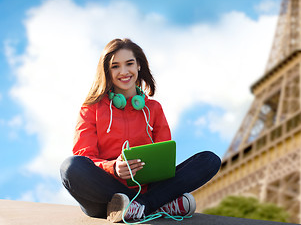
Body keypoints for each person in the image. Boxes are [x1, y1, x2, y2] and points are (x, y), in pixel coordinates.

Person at [60, 38, 221, 223]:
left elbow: (164, 157)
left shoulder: (154, 109)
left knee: (209, 160)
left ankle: (141, 205)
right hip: (105, 196)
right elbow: (85, 156)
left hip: (148, 188)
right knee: (70, 167)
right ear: (107, 71)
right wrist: (114, 168)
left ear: (138, 66)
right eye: (115, 66)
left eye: (129, 64)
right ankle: (154, 204)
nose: (124, 72)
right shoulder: (90, 109)